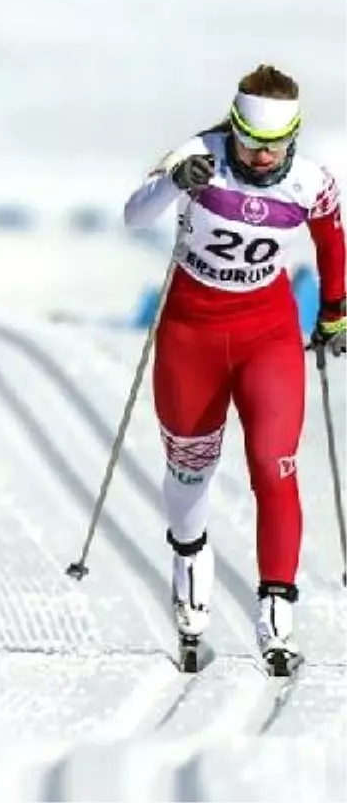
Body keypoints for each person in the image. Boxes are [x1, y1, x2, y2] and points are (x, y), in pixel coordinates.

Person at [123, 64, 347, 675]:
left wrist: (334, 312)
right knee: (189, 469)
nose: (259, 156)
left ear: (293, 137)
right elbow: (135, 218)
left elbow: (332, 242)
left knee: (275, 465)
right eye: (248, 140)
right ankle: (189, 557)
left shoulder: (310, 181)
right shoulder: (199, 152)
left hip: (266, 334)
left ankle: (276, 606)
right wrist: (174, 182)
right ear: (234, 126)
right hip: (191, 333)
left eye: (273, 145)